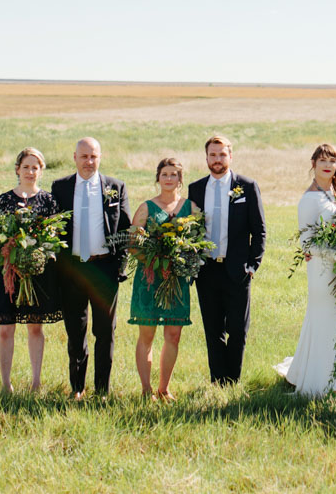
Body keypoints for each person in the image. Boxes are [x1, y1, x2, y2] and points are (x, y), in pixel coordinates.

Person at [51, 137, 131, 400]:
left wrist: (120, 266)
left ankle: (103, 390)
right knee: (75, 332)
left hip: (103, 269)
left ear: (100, 157)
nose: (89, 162)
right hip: (72, 269)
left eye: (93, 156)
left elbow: (126, 231)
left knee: (105, 332)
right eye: (84, 156)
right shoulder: (60, 188)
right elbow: (53, 228)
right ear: (74, 157)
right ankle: (77, 388)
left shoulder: (115, 188)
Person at [274, 143, 336, 396]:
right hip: (322, 269)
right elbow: (306, 243)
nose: (328, 165)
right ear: (313, 164)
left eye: (332, 161)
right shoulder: (309, 199)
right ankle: (318, 380)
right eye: (323, 160)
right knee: (324, 320)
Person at [190, 135, 266, 385]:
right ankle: (217, 380)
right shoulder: (196, 189)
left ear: (230, 157)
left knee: (238, 330)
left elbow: (259, 229)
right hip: (207, 269)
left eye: (222, 155)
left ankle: (232, 380)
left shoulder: (246, 186)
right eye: (213, 155)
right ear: (206, 158)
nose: (217, 160)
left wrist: (252, 265)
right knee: (213, 330)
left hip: (237, 269)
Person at [0, 147, 61, 393]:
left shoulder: (48, 201)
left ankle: (36, 382)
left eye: (35, 167)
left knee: (35, 327)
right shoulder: (4, 200)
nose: (31, 171)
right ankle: (6, 384)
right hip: (9, 272)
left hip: (37, 274)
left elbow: (54, 238)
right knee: (6, 329)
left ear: (41, 171)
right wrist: (11, 253)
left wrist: (34, 256)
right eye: (26, 167)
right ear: (17, 169)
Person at [128, 157, 193, 401]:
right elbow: (132, 245)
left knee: (173, 334)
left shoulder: (190, 208)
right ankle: (146, 390)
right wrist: (153, 259)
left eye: (174, 174)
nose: (169, 178)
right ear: (158, 178)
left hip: (176, 279)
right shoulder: (146, 207)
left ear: (180, 179)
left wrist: (180, 258)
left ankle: (164, 388)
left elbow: (197, 242)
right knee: (147, 335)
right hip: (149, 277)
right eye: (164, 174)